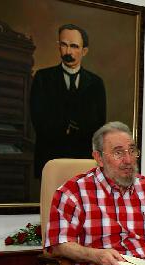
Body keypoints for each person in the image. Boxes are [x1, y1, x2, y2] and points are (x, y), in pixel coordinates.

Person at [45, 121, 145, 265]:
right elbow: (59, 244)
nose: (128, 160)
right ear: (99, 158)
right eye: (118, 153)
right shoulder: (73, 193)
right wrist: (96, 255)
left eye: (132, 151)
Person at [30, 23, 106, 178]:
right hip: (50, 159)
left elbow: (99, 124)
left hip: (83, 161)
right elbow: (38, 119)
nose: (68, 51)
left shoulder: (96, 83)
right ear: (58, 46)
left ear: (84, 51)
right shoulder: (42, 78)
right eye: (64, 45)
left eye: (74, 46)